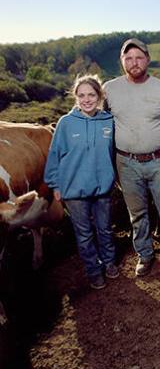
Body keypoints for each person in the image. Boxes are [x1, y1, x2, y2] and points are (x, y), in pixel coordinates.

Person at [103, 38, 160, 277]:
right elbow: (98, 121)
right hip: (126, 161)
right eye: (129, 58)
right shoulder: (110, 89)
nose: (134, 63)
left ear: (148, 59)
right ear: (122, 61)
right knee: (137, 213)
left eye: (139, 57)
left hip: (158, 160)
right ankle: (144, 255)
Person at [44, 75, 118, 290]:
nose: (87, 100)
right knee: (84, 234)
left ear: (100, 96)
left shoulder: (108, 121)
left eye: (91, 95)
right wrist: (55, 185)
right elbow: (54, 154)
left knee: (104, 229)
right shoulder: (66, 123)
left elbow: (114, 153)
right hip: (74, 190)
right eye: (82, 95)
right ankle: (94, 271)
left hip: (102, 187)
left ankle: (110, 262)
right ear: (76, 97)